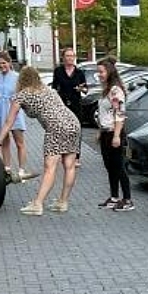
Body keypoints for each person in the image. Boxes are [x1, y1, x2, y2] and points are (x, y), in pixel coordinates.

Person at [0, 65, 80, 215]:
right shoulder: (49, 91)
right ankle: (62, 202)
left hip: (56, 127)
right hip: (73, 123)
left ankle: (37, 204)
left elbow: (9, 122)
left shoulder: (22, 95)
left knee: (49, 167)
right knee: (69, 166)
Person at [95, 57, 133, 211]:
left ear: (109, 72)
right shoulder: (106, 90)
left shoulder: (116, 90)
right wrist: (100, 131)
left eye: (101, 72)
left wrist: (117, 135)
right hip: (105, 132)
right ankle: (114, 197)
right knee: (110, 166)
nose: (99, 75)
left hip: (113, 133)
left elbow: (119, 114)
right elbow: (104, 113)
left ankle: (128, 199)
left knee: (119, 166)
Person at [0, 52, 28, 179]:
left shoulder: (17, 77)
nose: (1, 65)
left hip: (14, 110)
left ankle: (22, 170)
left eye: (4, 63)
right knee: (4, 142)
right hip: (0, 110)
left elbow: (23, 93)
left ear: (10, 63)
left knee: (19, 142)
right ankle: (7, 168)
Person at [51, 47, 87, 165]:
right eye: (68, 56)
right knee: (63, 130)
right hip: (62, 105)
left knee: (76, 130)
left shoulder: (79, 72)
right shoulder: (58, 71)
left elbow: (86, 89)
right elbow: (54, 88)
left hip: (76, 104)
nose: (70, 58)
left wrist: (81, 88)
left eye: (72, 56)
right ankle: (64, 154)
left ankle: (76, 157)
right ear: (63, 58)